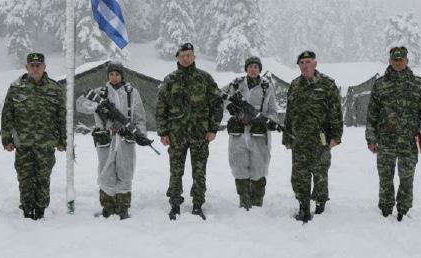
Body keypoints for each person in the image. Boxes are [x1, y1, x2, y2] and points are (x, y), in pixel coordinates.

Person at [366, 46, 421, 221]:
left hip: (408, 140)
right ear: (390, 61)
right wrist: (371, 138)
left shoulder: (418, 84)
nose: (398, 63)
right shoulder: (380, 84)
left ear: (406, 61)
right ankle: (386, 208)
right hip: (386, 141)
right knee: (385, 177)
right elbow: (372, 114)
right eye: (394, 60)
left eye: (401, 59)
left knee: (406, 178)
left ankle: (403, 209)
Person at [156, 43, 224, 220]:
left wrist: (213, 129)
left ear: (194, 57)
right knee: (176, 171)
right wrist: (163, 132)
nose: (186, 58)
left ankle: (197, 204)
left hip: (200, 135)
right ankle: (175, 204)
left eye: (189, 55)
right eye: (182, 55)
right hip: (176, 135)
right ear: (177, 58)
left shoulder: (205, 78)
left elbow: (217, 104)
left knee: (199, 171)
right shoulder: (169, 80)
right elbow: (161, 107)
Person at [76, 61, 147, 220]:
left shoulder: (132, 93)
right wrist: (95, 106)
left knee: (125, 172)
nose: (114, 78)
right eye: (111, 74)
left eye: (117, 74)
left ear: (122, 75)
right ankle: (107, 208)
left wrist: (141, 135)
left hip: (125, 138)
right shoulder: (99, 92)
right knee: (106, 172)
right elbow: (80, 104)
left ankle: (123, 208)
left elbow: (140, 117)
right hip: (105, 139)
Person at [1, 53, 66, 220]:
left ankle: (41, 209)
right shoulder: (16, 88)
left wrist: (63, 140)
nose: (35, 68)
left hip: (46, 143)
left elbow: (62, 116)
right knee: (25, 177)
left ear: (45, 67)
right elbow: (7, 115)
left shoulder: (55, 89)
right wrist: (7, 139)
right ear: (27, 68)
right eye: (32, 65)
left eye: (38, 65)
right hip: (23, 143)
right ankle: (27, 209)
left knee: (43, 178)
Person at [282, 50, 343, 223]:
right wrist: (287, 137)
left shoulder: (327, 84)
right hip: (299, 139)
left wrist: (336, 137)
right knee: (299, 175)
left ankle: (321, 206)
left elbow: (336, 113)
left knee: (320, 174)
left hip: (321, 139)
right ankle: (303, 208)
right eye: (301, 63)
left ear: (315, 64)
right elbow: (289, 114)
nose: (305, 66)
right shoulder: (294, 85)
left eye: (308, 62)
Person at [224, 56, 278, 209]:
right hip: (238, 133)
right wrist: (233, 109)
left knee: (259, 168)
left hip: (259, 135)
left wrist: (263, 121)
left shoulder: (267, 87)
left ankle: (257, 201)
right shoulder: (236, 84)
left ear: (259, 69)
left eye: (256, 66)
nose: (253, 69)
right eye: (250, 66)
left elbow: (273, 111)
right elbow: (225, 100)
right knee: (239, 167)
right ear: (246, 68)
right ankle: (244, 200)